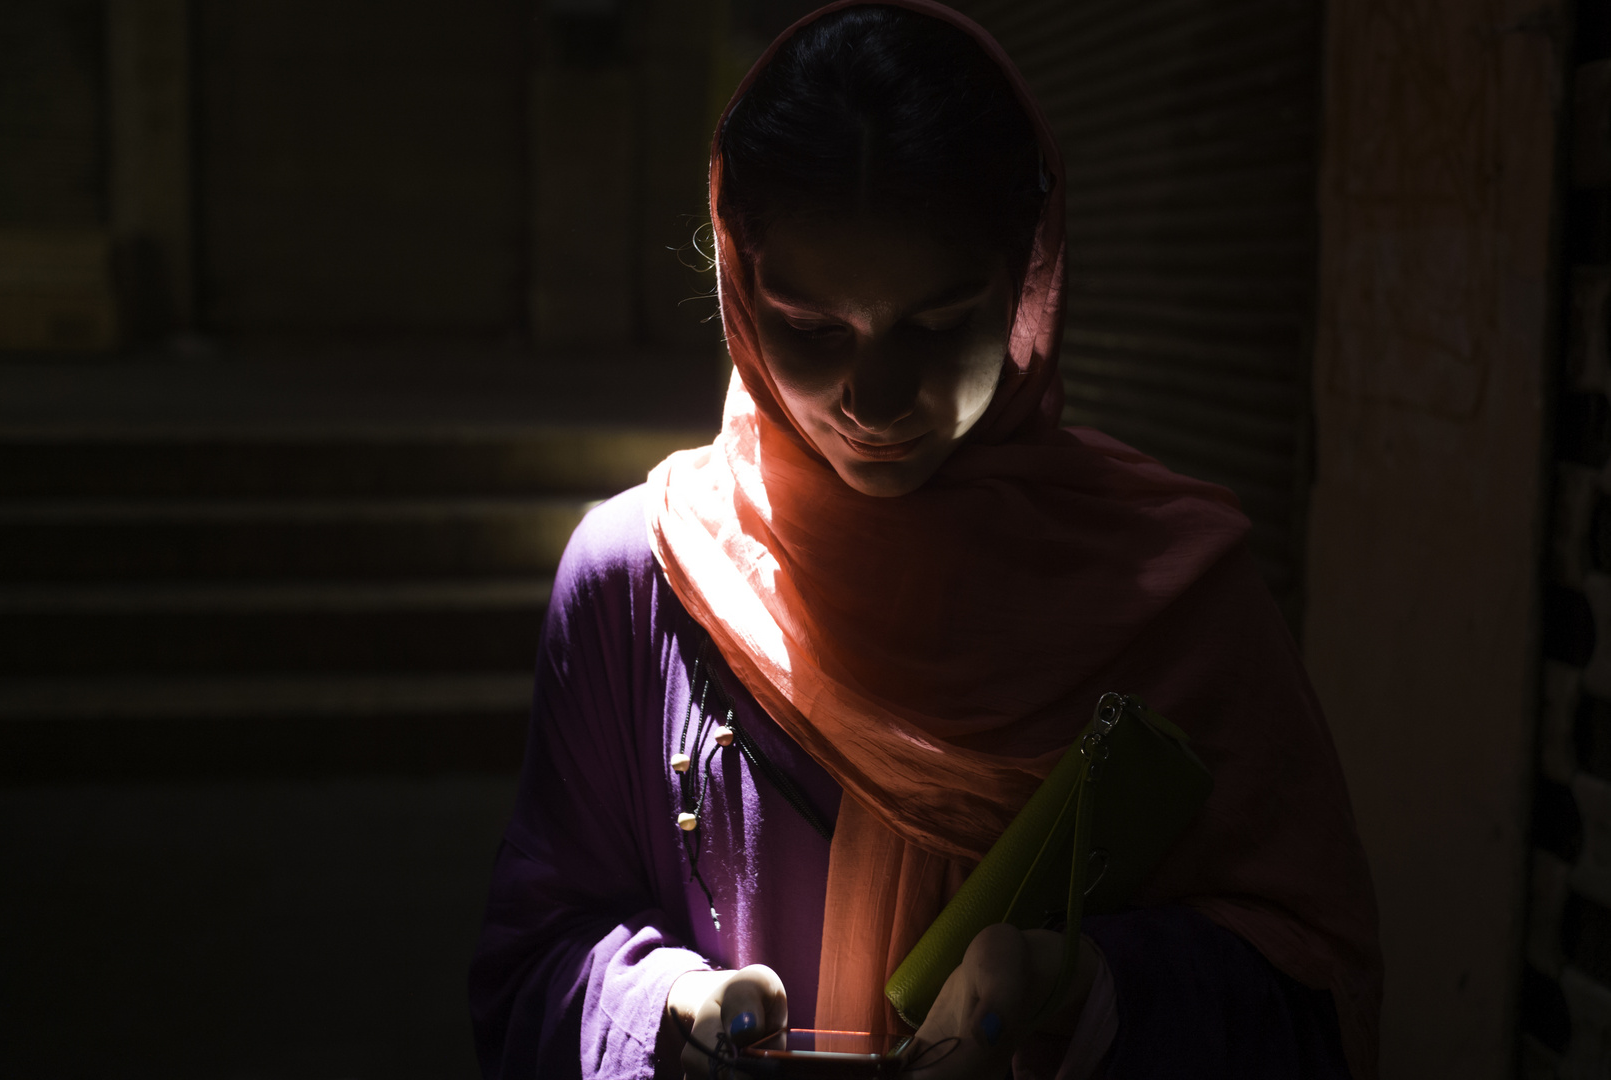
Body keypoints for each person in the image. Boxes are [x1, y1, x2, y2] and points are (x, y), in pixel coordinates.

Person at [469, 3, 1382, 1078]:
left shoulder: (1179, 601)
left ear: (1027, 276)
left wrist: (1094, 997)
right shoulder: (641, 581)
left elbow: (1315, 995)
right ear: (737, 285)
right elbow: (531, 966)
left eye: (940, 323)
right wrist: (663, 1011)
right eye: (810, 331)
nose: (878, 398)